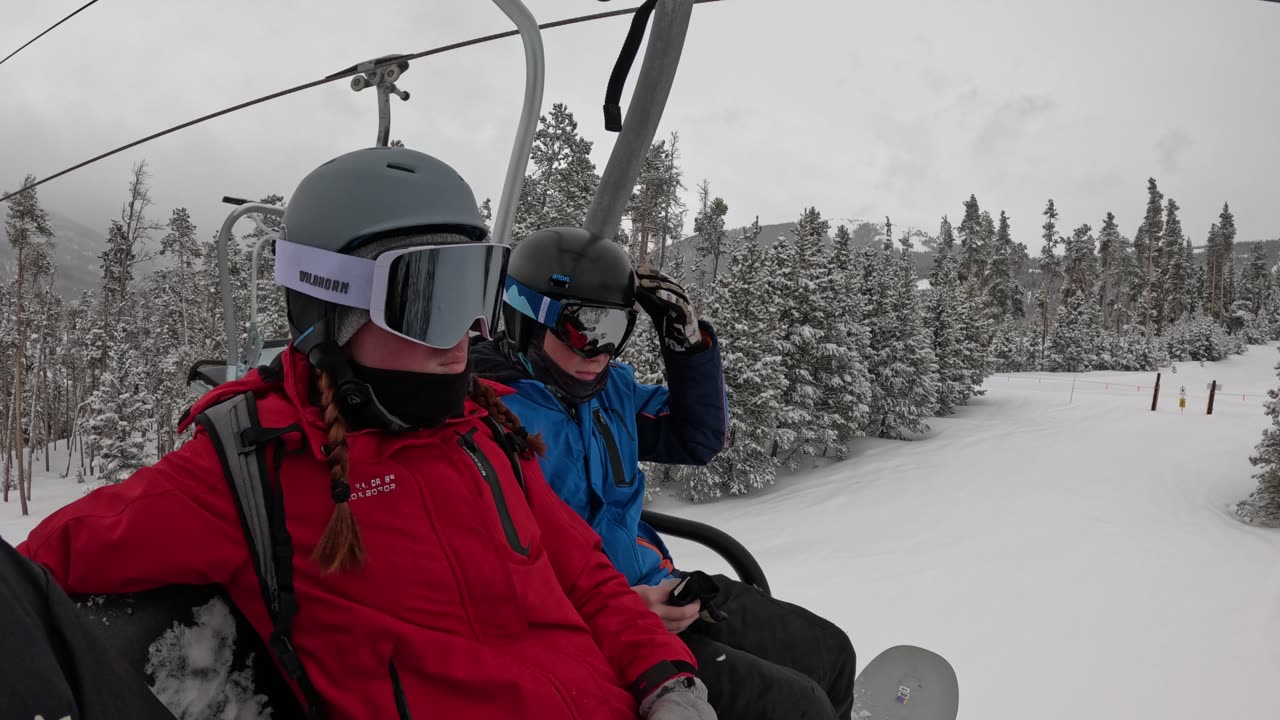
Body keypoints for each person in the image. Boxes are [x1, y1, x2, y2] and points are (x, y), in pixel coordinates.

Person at [6, 148, 716, 720]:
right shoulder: (252, 464)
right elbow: (40, 567)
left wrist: (666, 682)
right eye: (428, 300)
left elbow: (587, 578)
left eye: (474, 294)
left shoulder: (484, 433)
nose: (464, 340)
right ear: (330, 312)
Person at [473, 227, 858, 720]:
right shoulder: (486, 419)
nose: (600, 352)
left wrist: (687, 345)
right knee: (799, 706)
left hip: (667, 589)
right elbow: (493, 578)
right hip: (596, 627)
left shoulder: (609, 392)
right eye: (584, 328)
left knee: (830, 653)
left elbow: (695, 437)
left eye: (616, 332)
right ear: (524, 318)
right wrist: (626, 606)